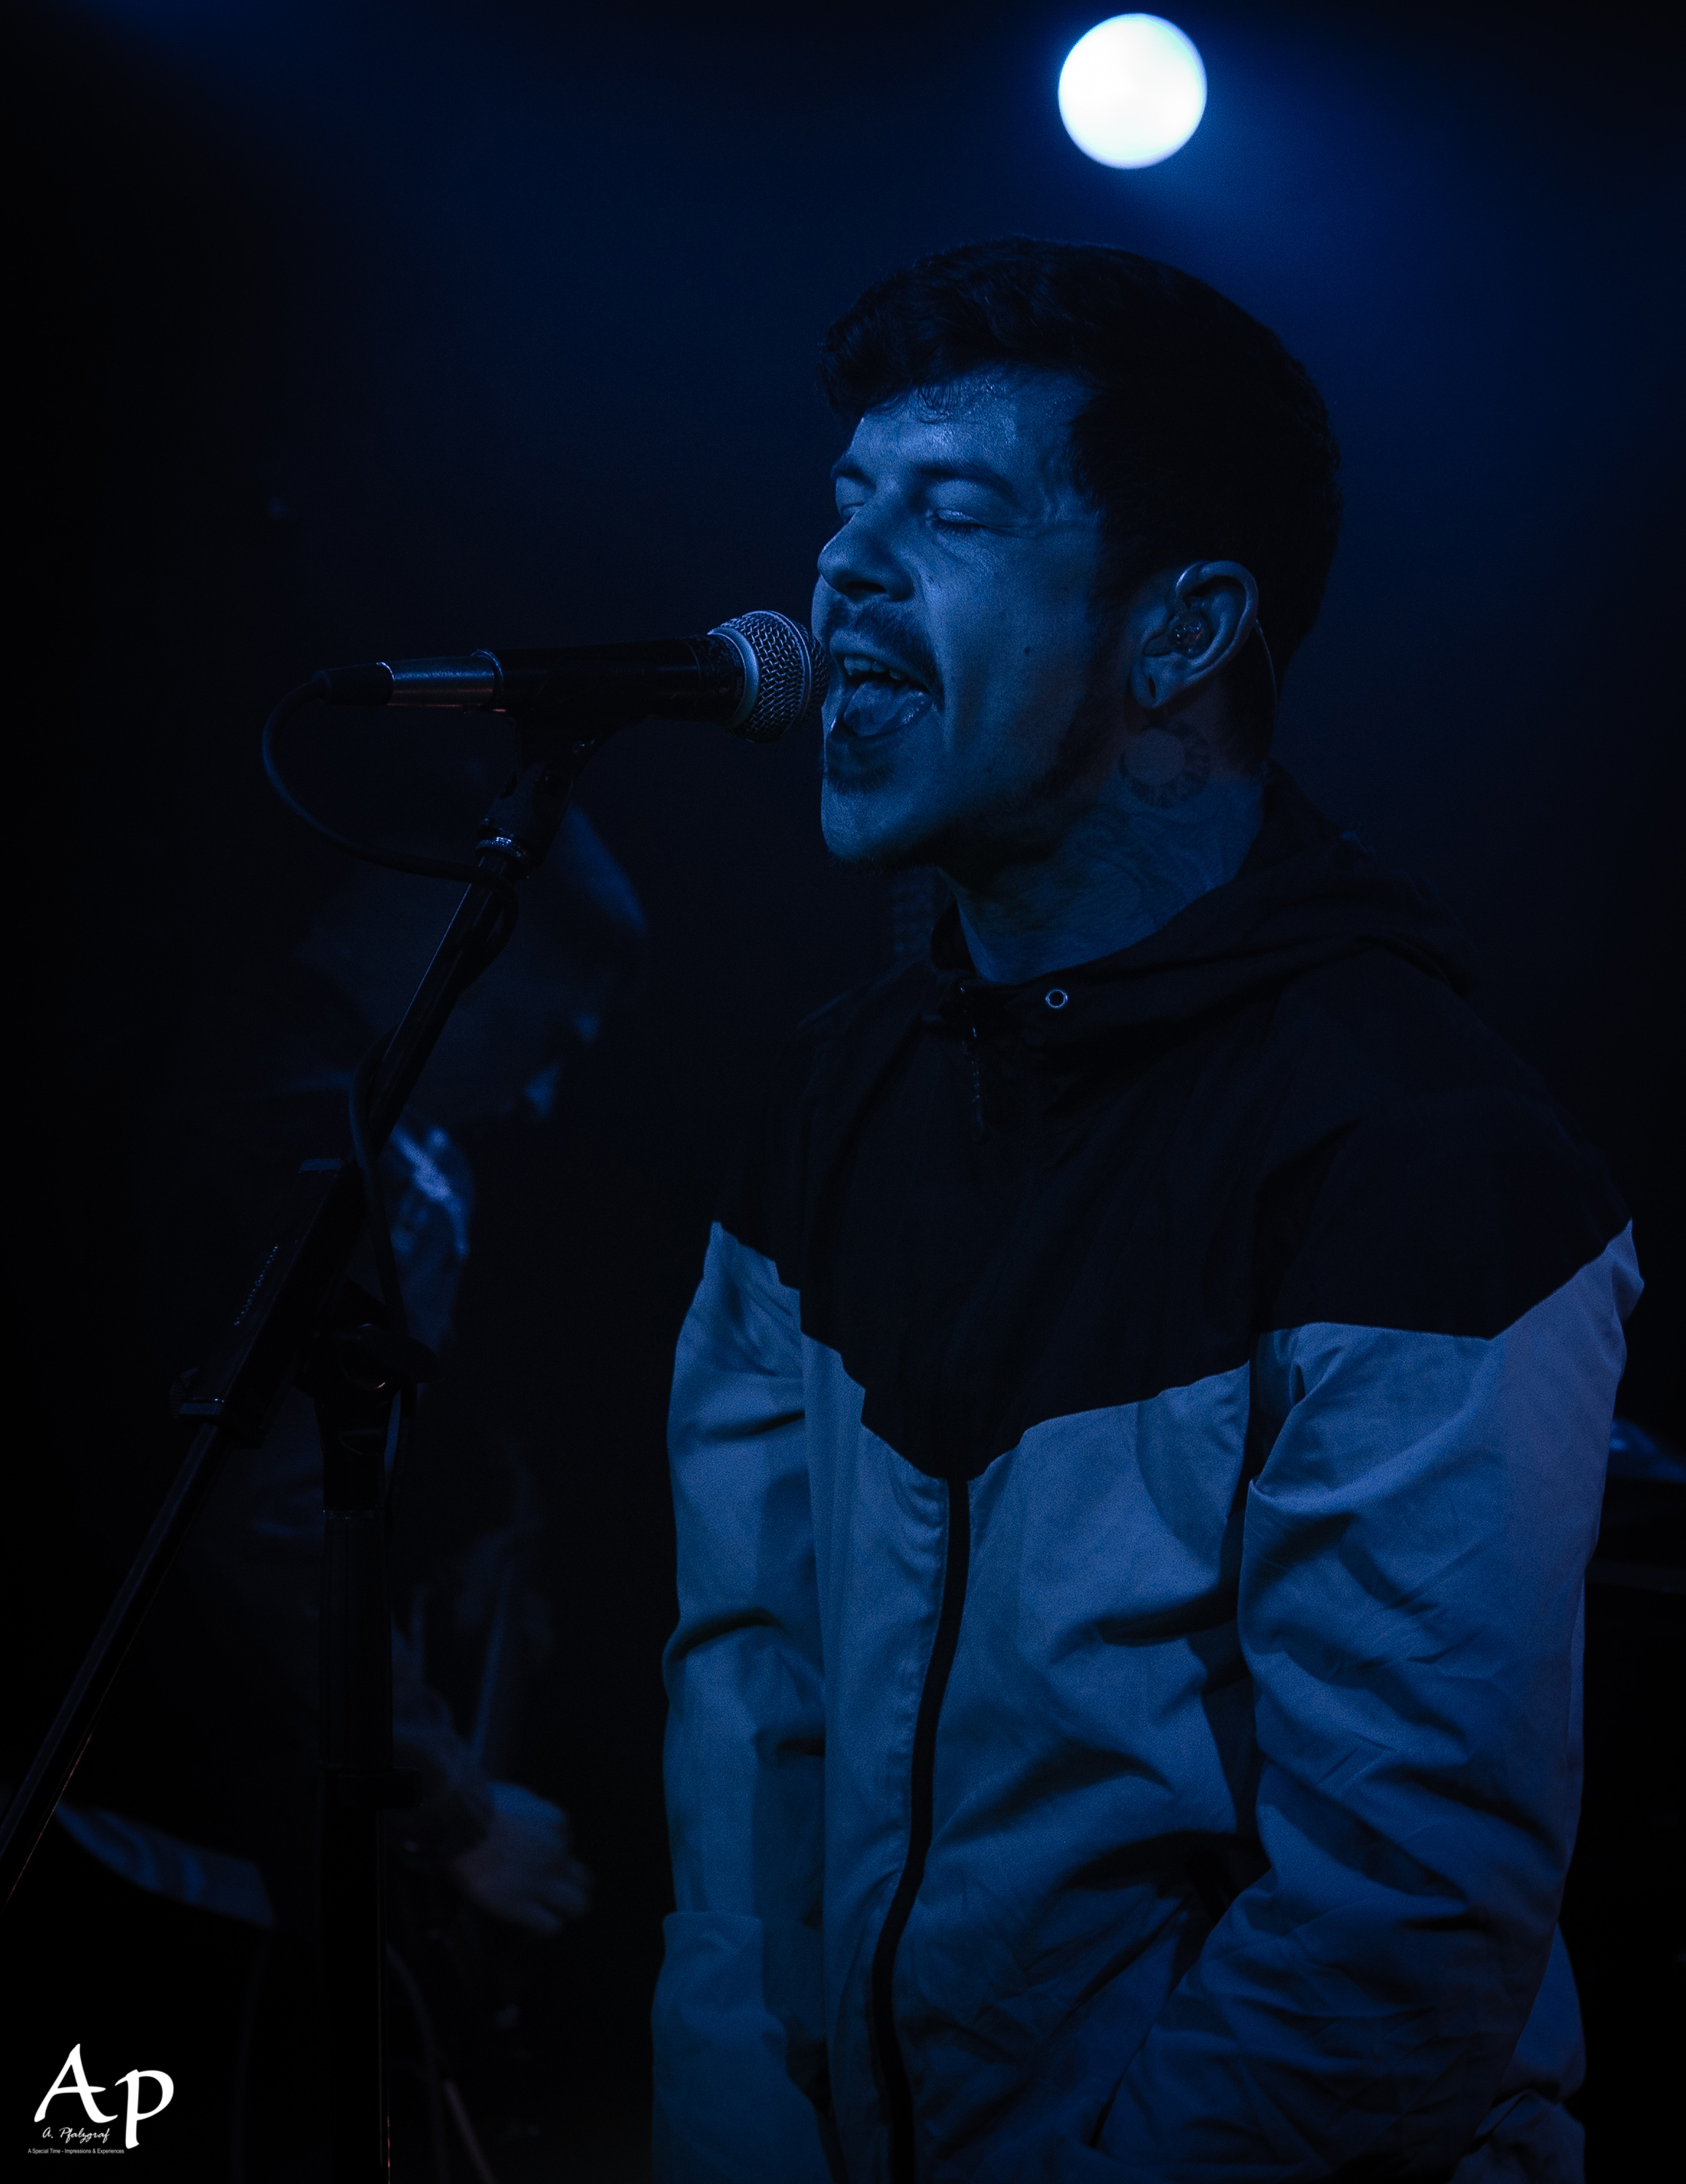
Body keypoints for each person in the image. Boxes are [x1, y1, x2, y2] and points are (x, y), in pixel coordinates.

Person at [651, 239, 1638, 2182]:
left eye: (949, 513)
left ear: (1181, 632)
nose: (841, 567)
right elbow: (744, 1707)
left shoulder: (1419, 1152)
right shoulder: (833, 1095)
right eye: (847, 502)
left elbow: (1396, 1926)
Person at [74, 796, 644, 1946]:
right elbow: (280, 1520)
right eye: (551, 1039)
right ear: (462, 958)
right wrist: (457, 1807)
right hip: (198, 1840)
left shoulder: (163, 1048)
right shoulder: (377, 1166)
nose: (541, 1098)